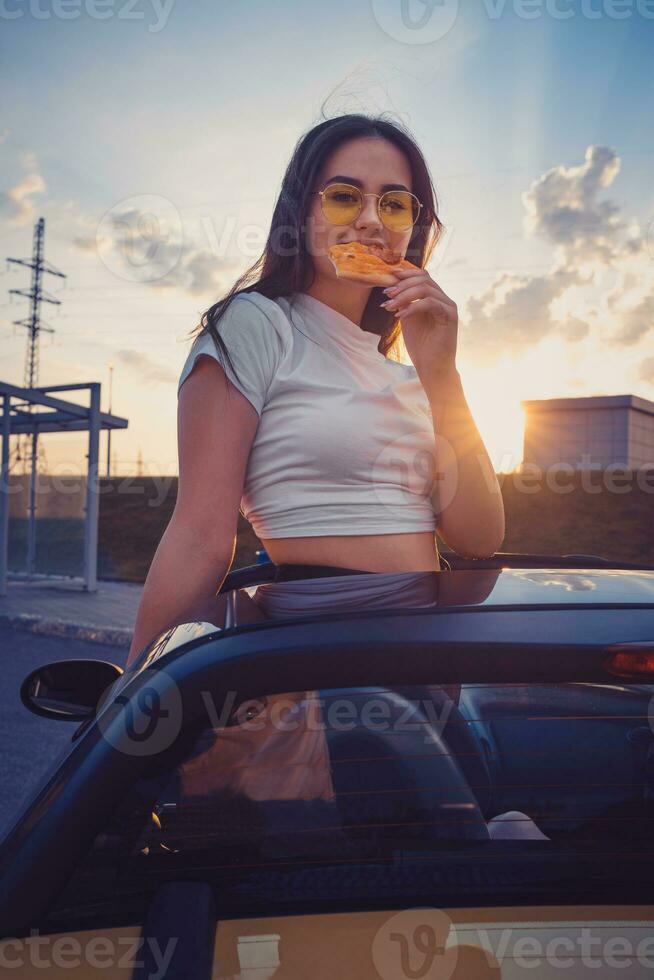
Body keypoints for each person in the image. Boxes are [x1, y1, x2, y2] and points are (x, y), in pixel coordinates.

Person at [126, 112, 505, 668]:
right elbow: (199, 535)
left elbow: (477, 537)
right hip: (314, 664)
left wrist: (441, 373)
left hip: (430, 659)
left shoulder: (410, 375)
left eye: (395, 204)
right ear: (299, 212)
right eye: (345, 197)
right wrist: (134, 696)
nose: (372, 222)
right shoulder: (256, 325)